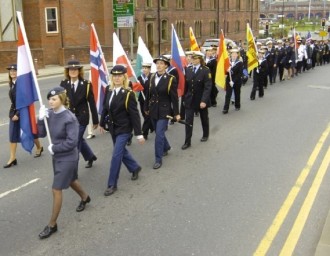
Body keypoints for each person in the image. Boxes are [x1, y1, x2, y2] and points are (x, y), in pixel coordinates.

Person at [37, 87, 90, 239]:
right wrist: (41, 119)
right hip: (57, 156)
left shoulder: (69, 118)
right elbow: (41, 134)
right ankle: (85, 197)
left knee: (56, 189)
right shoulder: (50, 114)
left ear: (62, 99)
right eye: (49, 99)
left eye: (54, 99)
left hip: (68, 157)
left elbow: (72, 142)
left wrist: (55, 147)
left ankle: (52, 225)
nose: (50, 102)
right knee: (71, 180)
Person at [99, 65, 145, 196]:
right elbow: (105, 108)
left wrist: (139, 134)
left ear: (124, 77)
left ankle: (112, 184)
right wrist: (102, 123)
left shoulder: (128, 93)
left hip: (124, 129)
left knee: (116, 155)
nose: (117, 78)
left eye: (120, 76)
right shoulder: (108, 90)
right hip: (113, 127)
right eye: (115, 76)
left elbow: (134, 115)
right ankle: (135, 167)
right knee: (121, 151)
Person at [60, 60, 99, 168]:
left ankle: (72, 170)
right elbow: (61, 102)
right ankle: (90, 156)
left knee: (75, 141)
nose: (73, 71)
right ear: (67, 71)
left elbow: (92, 103)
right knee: (79, 139)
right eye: (70, 69)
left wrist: (95, 120)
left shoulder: (86, 84)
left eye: (75, 69)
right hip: (69, 118)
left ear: (79, 71)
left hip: (82, 117)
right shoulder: (64, 83)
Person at [4, 64, 43, 168]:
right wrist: (13, 114)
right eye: (10, 71)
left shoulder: (22, 84)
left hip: (24, 112)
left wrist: (18, 114)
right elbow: (14, 101)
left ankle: (39, 147)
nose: (12, 72)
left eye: (14, 70)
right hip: (14, 112)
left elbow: (25, 101)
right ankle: (12, 157)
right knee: (12, 135)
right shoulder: (11, 83)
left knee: (30, 132)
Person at [144, 55, 180, 169]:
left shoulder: (170, 79)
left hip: (164, 110)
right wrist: (146, 107)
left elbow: (174, 98)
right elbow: (148, 94)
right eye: (157, 63)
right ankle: (167, 146)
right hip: (153, 109)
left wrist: (176, 113)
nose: (159, 65)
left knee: (159, 134)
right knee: (158, 132)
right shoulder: (151, 77)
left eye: (161, 63)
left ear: (166, 66)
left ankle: (158, 159)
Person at [182, 51, 212, 150]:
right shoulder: (188, 69)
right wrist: (184, 99)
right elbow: (186, 87)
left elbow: (208, 87)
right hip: (190, 99)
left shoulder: (205, 70)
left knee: (204, 118)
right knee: (188, 121)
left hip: (201, 99)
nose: (193, 60)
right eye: (192, 58)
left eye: (195, 58)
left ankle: (205, 134)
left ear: (199, 59)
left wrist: (204, 100)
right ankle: (187, 141)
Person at [222, 48, 243, 114]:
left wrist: (233, 81)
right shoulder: (228, 62)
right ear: (230, 55)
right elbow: (224, 71)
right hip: (229, 80)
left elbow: (239, 74)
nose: (234, 55)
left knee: (237, 93)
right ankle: (225, 108)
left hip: (236, 81)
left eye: (235, 54)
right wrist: (226, 71)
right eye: (232, 54)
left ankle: (237, 106)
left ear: (237, 55)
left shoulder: (240, 63)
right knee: (228, 95)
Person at [137, 63, 154, 140]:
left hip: (149, 100)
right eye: (143, 68)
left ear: (149, 69)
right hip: (142, 99)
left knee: (147, 116)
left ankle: (144, 133)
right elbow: (137, 88)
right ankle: (152, 126)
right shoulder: (139, 78)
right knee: (144, 115)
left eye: (146, 68)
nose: (144, 69)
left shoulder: (152, 77)